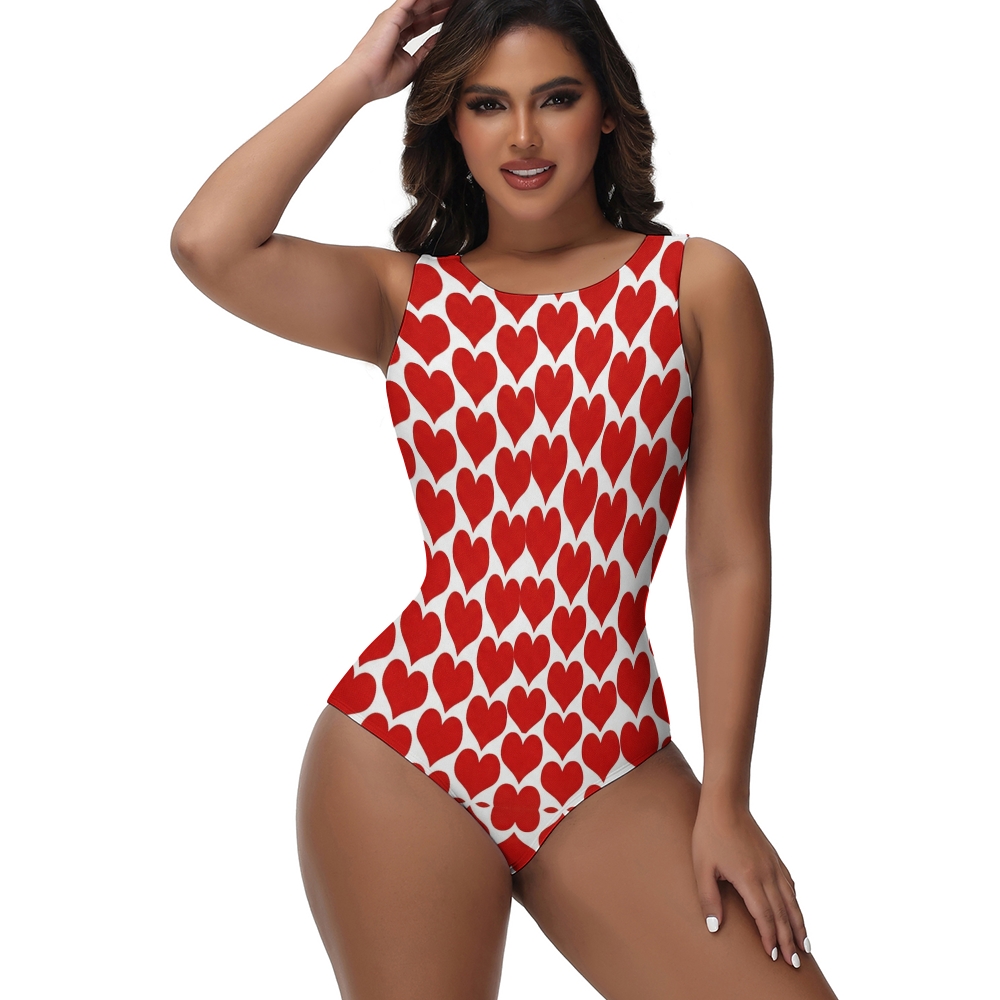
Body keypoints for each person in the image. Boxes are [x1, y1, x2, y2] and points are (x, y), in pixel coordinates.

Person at [170, 1, 840, 996]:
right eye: (487, 105)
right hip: (409, 743)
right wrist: (357, 80)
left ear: (606, 111)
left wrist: (727, 800)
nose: (522, 137)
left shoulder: (696, 285)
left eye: (554, 99)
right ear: (453, 122)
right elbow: (207, 244)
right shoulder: (410, 300)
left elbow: (728, 557)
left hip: (609, 757)